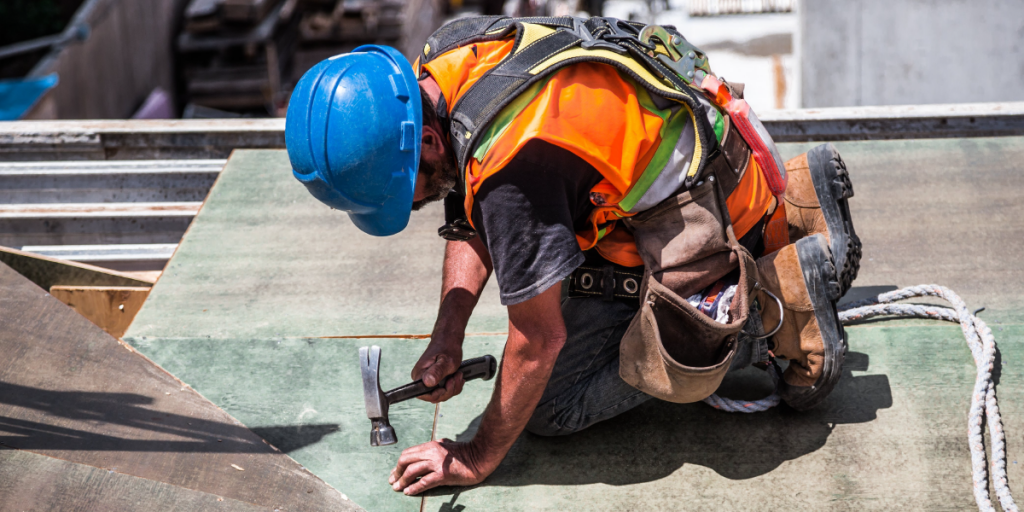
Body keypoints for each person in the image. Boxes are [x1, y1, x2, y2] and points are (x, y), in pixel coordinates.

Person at [285, 15, 861, 496]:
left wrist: (476, 456)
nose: (409, 209)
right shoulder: (448, 59)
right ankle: (799, 203)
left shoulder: (514, 169)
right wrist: (448, 334)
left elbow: (538, 340)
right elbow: (469, 208)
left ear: (428, 142)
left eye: (400, 193)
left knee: (553, 406)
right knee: (548, 278)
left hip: (707, 219)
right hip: (713, 159)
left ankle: (772, 304)